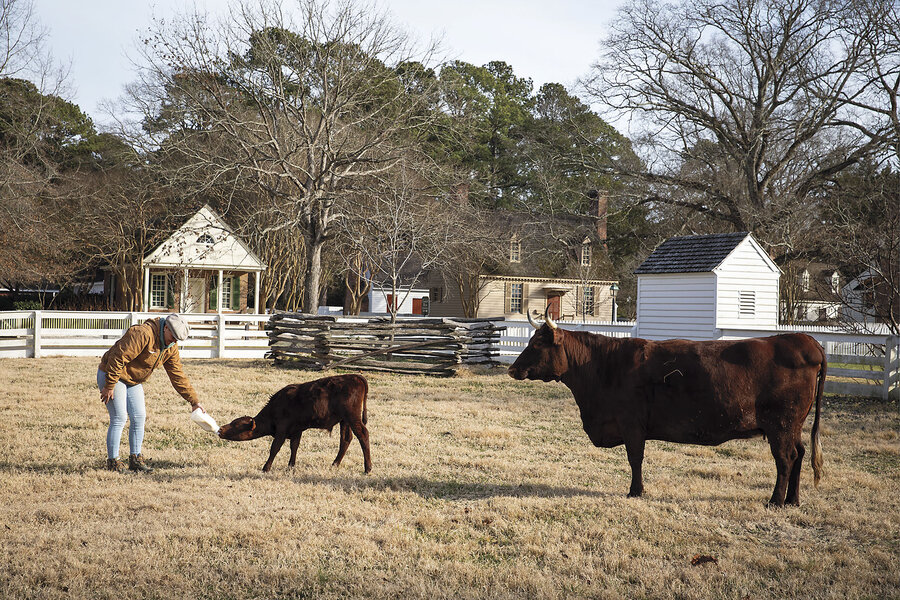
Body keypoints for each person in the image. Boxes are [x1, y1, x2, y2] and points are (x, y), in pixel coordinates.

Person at [97, 313, 204, 472]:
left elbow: (177, 376)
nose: (174, 342)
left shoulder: (170, 347)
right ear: (166, 328)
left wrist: (194, 401)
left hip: (133, 380)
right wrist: (110, 385)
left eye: (177, 340)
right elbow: (117, 357)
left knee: (139, 417)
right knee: (119, 417)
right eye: (173, 337)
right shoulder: (142, 334)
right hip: (113, 374)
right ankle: (113, 461)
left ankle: (135, 459)